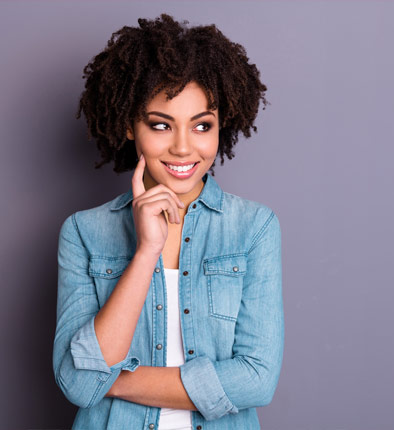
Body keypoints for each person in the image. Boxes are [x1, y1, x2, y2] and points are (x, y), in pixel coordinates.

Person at [52, 13, 283, 430]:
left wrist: (116, 380)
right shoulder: (84, 232)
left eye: (201, 125)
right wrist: (145, 253)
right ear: (129, 126)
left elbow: (257, 380)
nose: (183, 147)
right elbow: (77, 384)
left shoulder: (253, 228)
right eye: (161, 125)